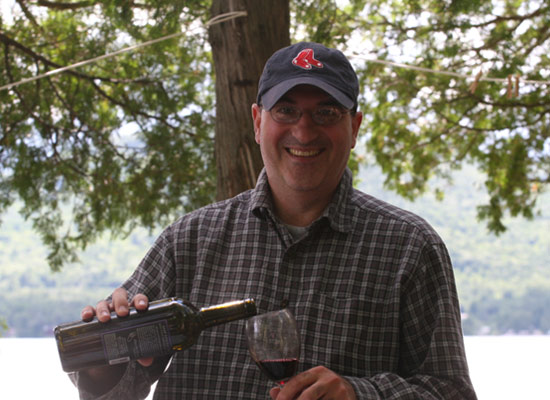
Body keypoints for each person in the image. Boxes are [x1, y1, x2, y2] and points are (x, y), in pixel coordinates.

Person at [70, 42, 477, 400]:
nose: (304, 131)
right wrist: (100, 361)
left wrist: (359, 394)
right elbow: (114, 392)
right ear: (257, 121)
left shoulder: (410, 248)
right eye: (286, 110)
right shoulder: (189, 239)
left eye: (326, 112)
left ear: (353, 127)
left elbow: (451, 391)